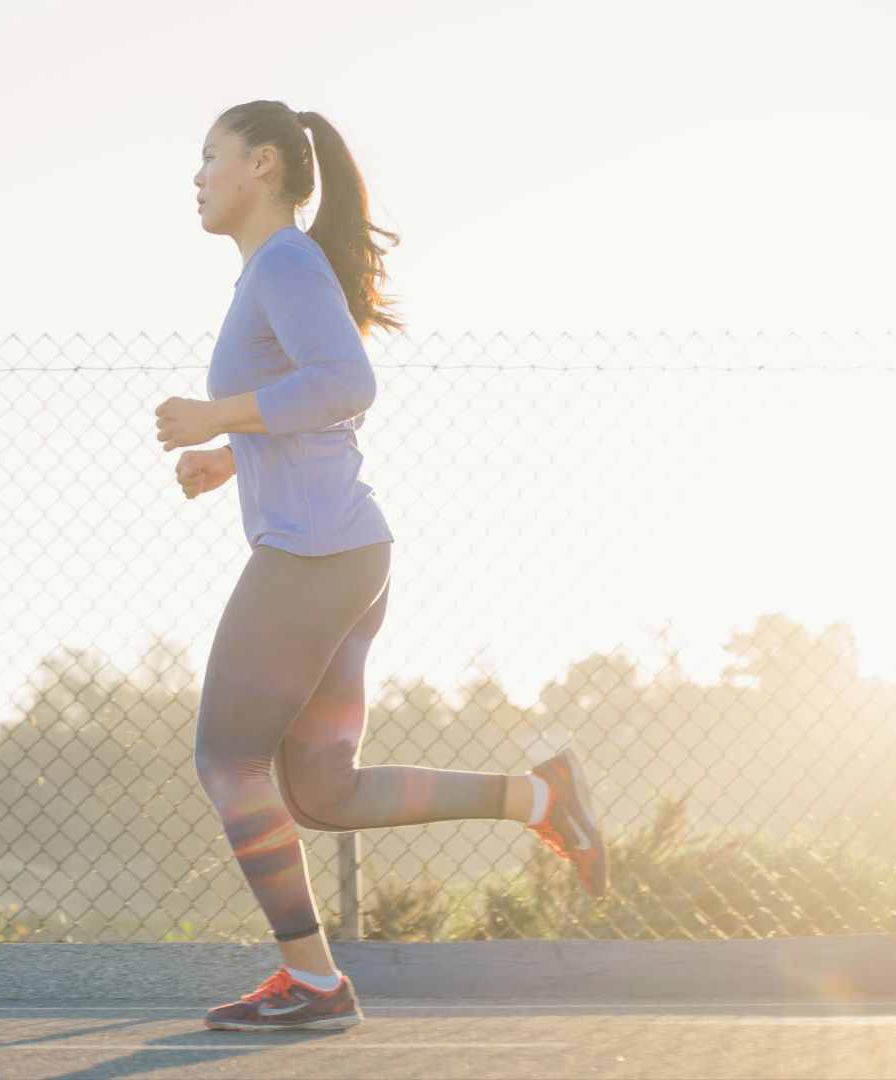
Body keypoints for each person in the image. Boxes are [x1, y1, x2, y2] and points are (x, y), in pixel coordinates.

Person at [155, 100, 608, 1033]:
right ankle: (542, 796)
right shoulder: (273, 272)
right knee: (322, 790)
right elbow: (319, 404)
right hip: (348, 553)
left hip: (316, 556)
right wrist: (231, 455)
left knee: (228, 758)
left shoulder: (282, 261)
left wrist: (218, 416)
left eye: (211, 157)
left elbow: (348, 383)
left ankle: (315, 984)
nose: (196, 176)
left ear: (265, 164)